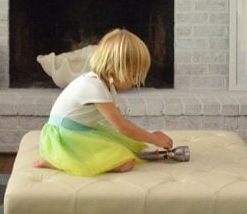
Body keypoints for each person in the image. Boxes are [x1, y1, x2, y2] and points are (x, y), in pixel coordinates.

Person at [35, 28, 173, 175]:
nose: (135, 82)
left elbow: (120, 124)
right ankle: (60, 160)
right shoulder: (93, 85)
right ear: (116, 67)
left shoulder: (107, 88)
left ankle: (68, 158)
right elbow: (122, 127)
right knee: (126, 163)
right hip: (63, 138)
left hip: (81, 130)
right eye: (133, 75)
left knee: (130, 147)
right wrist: (153, 138)